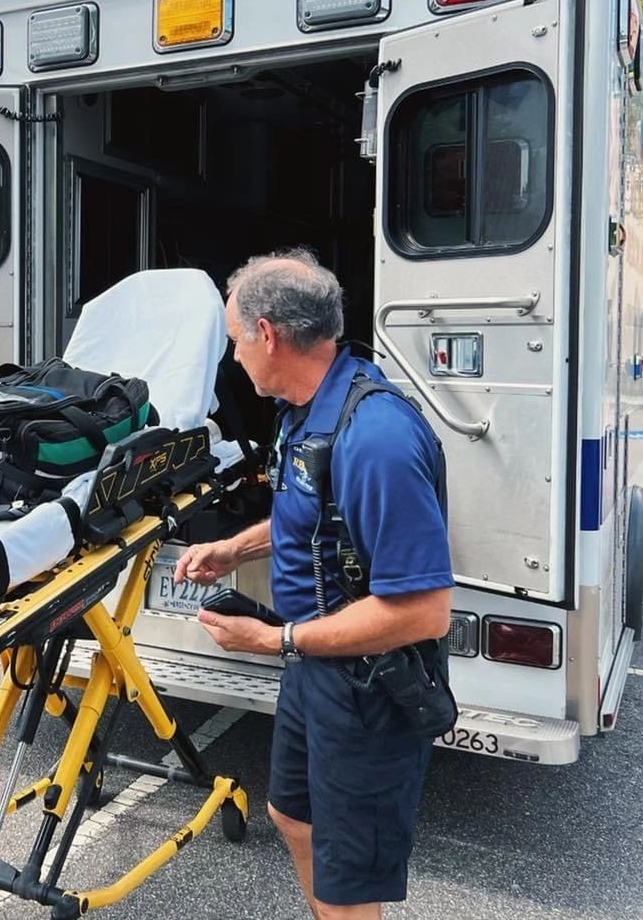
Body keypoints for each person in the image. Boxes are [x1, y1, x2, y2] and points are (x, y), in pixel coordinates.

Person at [175, 249, 453, 919]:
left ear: (267, 334)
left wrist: (273, 641)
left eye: (235, 340)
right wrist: (234, 548)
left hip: (368, 685)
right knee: (291, 814)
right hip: (316, 667)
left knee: (347, 876)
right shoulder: (304, 410)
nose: (234, 356)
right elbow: (311, 512)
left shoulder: (376, 439)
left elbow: (423, 614)